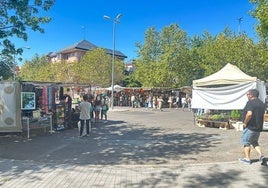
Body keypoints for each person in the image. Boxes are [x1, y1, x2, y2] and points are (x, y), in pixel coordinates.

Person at [239, 89, 265, 165]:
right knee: (254, 142)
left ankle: (247, 159)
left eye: (248, 94)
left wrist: (245, 123)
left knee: (246, 143)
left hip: (250, 127)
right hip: (258, 127)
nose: (247, 96)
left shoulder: (250, 103)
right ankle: (261, 156)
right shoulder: (261, 103)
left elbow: (249, 114)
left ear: (251, 95)